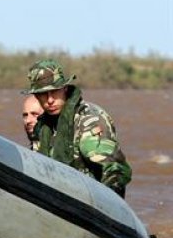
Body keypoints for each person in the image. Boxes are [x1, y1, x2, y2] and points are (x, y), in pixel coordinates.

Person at [22, 59, 131, 197]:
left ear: (65, 89)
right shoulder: (43, 127)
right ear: (36, 96)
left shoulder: (88, 119)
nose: (50, 100)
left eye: (54, 92)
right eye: (43, 94)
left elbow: (113, 169)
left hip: (91, 199)